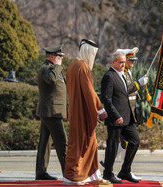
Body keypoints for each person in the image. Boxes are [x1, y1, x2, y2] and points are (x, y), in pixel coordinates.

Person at [62, 39, 110, 185]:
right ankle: (72, 177)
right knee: (78, 144)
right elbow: (89, 91)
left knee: (91, 143)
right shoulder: (82, 67)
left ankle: (93, 175)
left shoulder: (73, 65)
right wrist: (100, 107)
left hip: (77, 111)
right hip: (81, 112)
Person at [99, 47, 148, 181]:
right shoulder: (109, 76)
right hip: (116, 118)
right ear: (113, 62)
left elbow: (126, 92)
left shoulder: (122, 74)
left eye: (124, 62)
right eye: (120, 62)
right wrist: (116, 116)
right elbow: (106, 99)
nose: (123, 64)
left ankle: (125, 171)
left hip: (127, 117)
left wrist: (139, 83)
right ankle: (108, 174)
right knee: (113, 146)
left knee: (135, 141)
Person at [35, 44, 68, 180]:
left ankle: (41, 172)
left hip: (52, 111)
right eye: (58, 56)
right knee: (62, 142)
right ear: (51, 56)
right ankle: (68, 172)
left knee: (45, 143)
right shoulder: (46, 69)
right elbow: (51, 80)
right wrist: (57, 66)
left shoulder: (53, 69)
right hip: (51, 111)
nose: (61, 59)